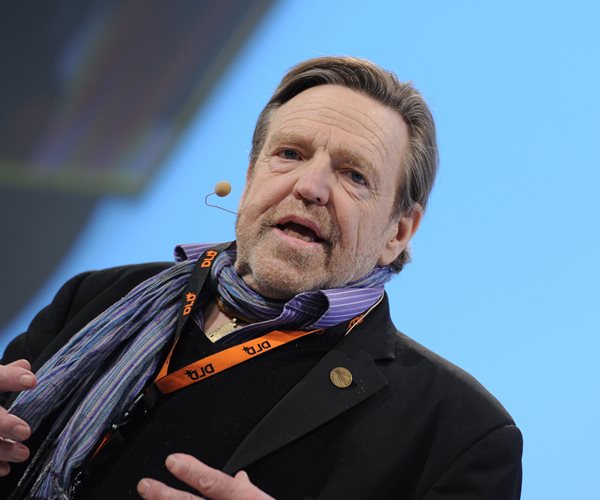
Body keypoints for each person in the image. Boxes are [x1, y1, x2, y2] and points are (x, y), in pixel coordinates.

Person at [0, 56, 522, 499]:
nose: (310, 186)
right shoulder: (96, 298)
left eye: (354, 175)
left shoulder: (456, 433)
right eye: (289, 154)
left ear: (399, 232)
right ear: (251, 176)